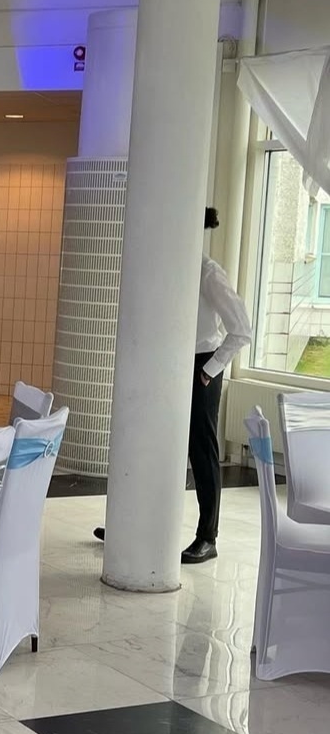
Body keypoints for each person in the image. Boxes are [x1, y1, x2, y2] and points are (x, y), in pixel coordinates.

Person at [95, 207, 252, 564]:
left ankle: (207, 537)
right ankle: (131, 526)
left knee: (201, 450)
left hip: (202, 366)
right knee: (149, 443)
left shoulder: (208, 273)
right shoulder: (166, 267)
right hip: (168, 363)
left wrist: (209, 370)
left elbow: (242, 329)